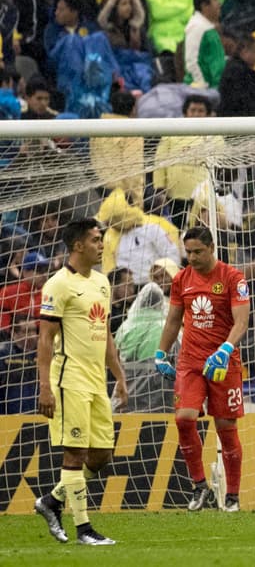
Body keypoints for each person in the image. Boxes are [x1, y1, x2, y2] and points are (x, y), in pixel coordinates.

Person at [32, 220, 127, 545]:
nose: (102, 245)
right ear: (78, 246)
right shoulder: (58, 285)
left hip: (96, 380)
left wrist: (119, 376)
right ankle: (84, 529)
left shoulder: (102, 282)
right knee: (74, 454)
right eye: (96, 240)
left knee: (100, 454)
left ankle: (51, 502)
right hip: (68, 379)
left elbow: (106, 334)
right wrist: (44, 386)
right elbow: (45, 339)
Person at [153, 226, 250, 512]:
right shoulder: (182, 279)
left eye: (198, 252)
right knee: (184, 419)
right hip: (190, 361)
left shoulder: (233, 278)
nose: (192, 258)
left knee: (226, 428)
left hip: (223, 363)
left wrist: (226, 349)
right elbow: (173, 320)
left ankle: (232, 496)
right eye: (188, 253)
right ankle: (199, 486)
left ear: (211, 249)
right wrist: (161, 353)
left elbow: (241, 322)